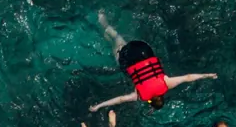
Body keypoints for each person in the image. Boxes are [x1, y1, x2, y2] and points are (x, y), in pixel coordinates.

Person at [89, 12, 218, 111]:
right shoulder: (139, 95)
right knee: (116, 47)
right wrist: (98, 106)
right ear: (149, 101)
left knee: (119, 39)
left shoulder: (167, 84)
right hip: (129, 60)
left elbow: (188, 77)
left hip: (143, 51)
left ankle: (109, 30)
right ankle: (104, 25)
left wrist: (208, 75)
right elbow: (120, 99)